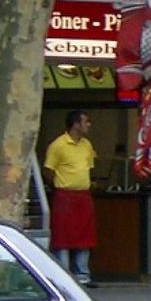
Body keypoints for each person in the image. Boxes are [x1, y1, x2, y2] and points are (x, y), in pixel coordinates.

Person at [44, 110, 98, 285]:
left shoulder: (87, 145)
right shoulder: (58, 145)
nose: (89, 124)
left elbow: (89, 168)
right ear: (76, 124)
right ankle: (63, 275)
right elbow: (48, 170)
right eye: (86, 121)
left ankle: (83, 274)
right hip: (64, 196)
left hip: (83, 195)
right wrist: (59, 185)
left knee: (85, 235)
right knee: (62, 236)